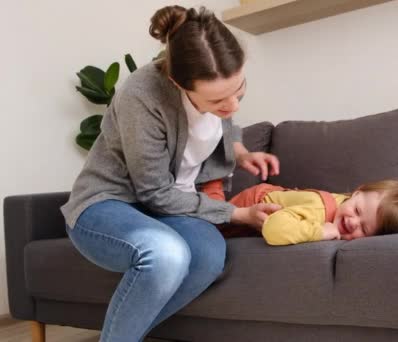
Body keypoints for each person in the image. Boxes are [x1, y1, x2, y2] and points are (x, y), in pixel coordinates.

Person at [60, 6, 280, 342]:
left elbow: (223, 125)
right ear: (178, 83)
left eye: (239, 90)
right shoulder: (142, 95)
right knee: (166, 255)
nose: (233, 105)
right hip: (108, 205)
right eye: (219, 99)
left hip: (167, 210)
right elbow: (154, 192)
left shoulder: (214, 84)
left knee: (208, 258)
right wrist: (238, 214)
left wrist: (242, 153)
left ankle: (119, 336)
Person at [224, 179, 398, 245]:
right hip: (252, 203)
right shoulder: (319, 209)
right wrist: (320, 232)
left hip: (278, 202)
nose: (352, 222)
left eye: (364, 229)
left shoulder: (345, 205)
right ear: (357, 192)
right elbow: (273, 229)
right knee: (213, 225)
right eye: (357, 210)